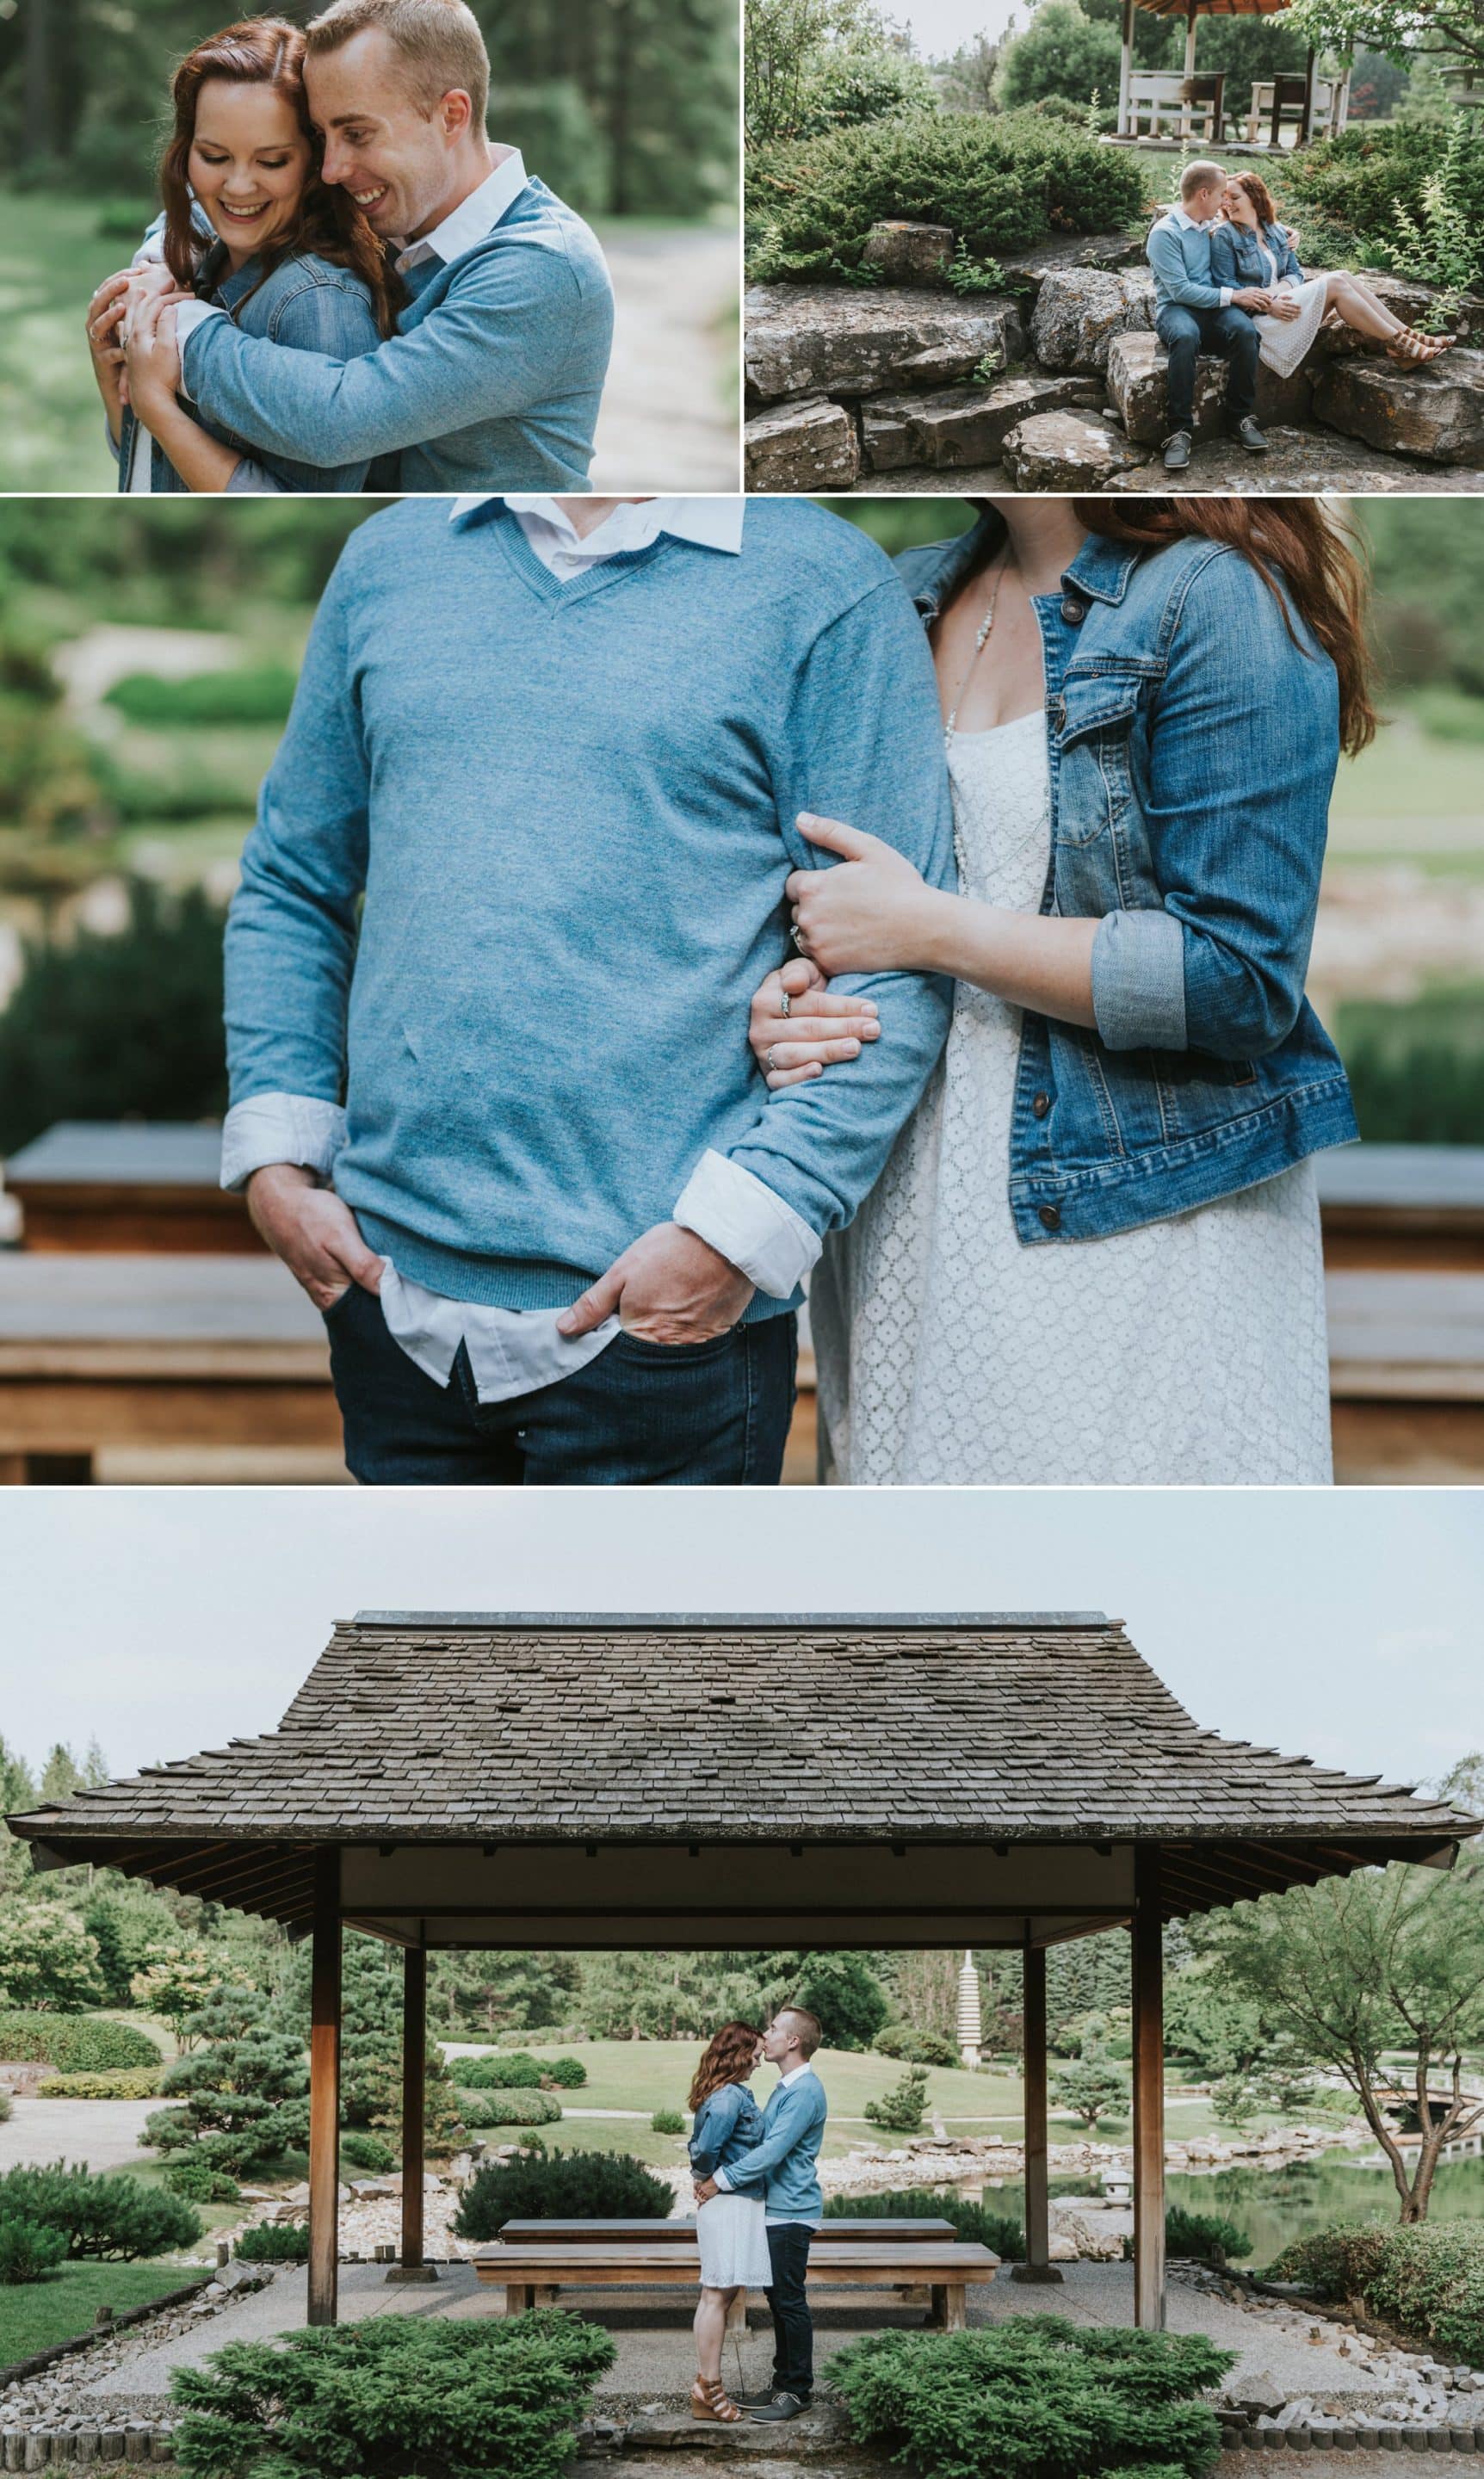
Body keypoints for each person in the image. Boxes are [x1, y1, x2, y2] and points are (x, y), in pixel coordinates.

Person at [221, 492, 955, 1487]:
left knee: (636, 1654)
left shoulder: (820, 582)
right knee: (412, 1652)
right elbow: (291, 879)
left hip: (665, 1331)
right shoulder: (391, 552)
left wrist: (735, 1239)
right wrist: (277, 1157)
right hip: (389, 1306)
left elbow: (897, 957)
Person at [748, 494, 1372, 1487]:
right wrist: (792, 994)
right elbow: (839, 894)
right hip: (904, 1199)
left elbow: (1238, 979)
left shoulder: (1221, 599)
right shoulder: (903, 593)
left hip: (1122, 1209)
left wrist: (931, 931)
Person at [113, 0, 614, 491]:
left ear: (451, 116)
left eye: (356, 132)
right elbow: (228, 198)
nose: (331, 169)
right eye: (322, 135)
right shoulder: (399, 200)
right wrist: (159, 262)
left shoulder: (540, 269)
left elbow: (340, 419)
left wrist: (177, 328)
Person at [86, 19, 397, 493]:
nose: (238, 187)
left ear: (314, 162)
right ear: (186, 152)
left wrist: (157, 407)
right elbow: (154, 469)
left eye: (271, 161)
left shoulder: (317, 303)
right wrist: (117, 380)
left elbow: (301, 510)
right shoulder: (203, 260)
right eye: (214, 157)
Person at [693, 2008, 828, 2425]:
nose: (765, 2036)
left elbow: (772, 2151)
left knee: (789, 2300)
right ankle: (782, 2381)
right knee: (779, 2298)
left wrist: (719, 2180)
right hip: (774, 2209)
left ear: (792, 2042)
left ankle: (796, 2391)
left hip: (790, 2210)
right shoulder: (785, 2088)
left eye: (772, 2029)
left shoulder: (804, 2090)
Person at [1212, 170, 1452, 375]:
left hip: (1284, 306)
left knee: (1344, 276)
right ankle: (1401, 345)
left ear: (1255, 199)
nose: (1227, 204)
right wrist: (1268, 302)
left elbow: (1296, 274)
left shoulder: (1274, 231)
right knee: (1336, 281)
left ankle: (1409, 338)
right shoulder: (1225, 235)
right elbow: (1228, 287)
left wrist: (1276, 291)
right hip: (1262, 319)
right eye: (1224, 199)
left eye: (1234, 197)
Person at [1146, 159, 1271, 472]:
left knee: (1245, 331)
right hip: (1176, 310)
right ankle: (1179, 432)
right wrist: (1235, 295)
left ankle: (1239, 418)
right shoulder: (1165, 234)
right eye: (1220, 196)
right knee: (1187, 337)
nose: (1225, 202)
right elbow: (1181, 291)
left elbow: (1258, 229)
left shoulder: (1211, 227)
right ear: (1204, 194)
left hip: (1213, 309)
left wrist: (1288, 234)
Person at [687, 2022, 770, 2424]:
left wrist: (707, 2179)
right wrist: (707, 2180)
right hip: (729, 2204)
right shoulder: (729, 2098)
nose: (758, 2061)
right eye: (753, 2054)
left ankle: (707, 2385)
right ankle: (708, 2387)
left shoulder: (729, 2095)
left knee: (718, 2294)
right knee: (717, 2296)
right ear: (738, 2054)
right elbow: (704, 2151)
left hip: (733, 2202)